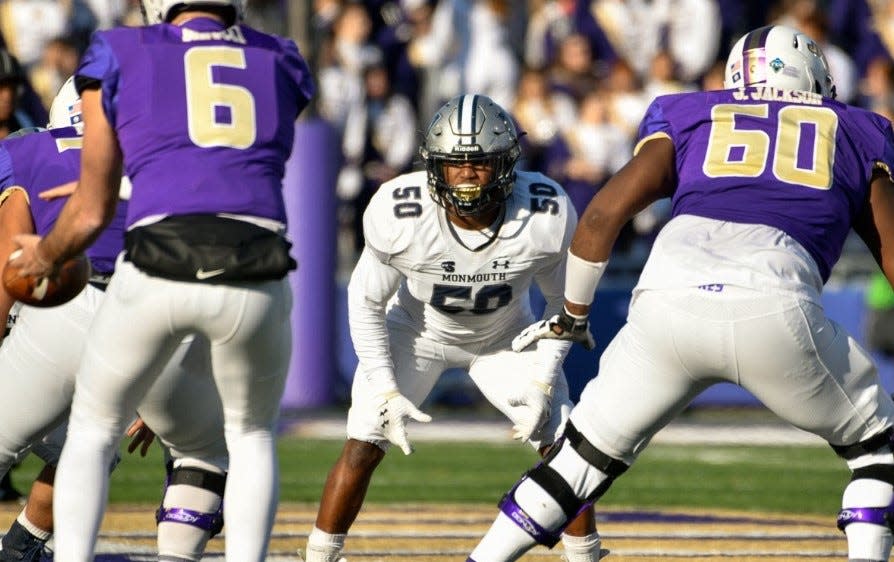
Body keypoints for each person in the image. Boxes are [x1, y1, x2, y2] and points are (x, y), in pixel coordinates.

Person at [466, 24, 894, 562]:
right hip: (775, 301)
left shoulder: (692, 113)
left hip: (665, 300)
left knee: (576, 463)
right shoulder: (857, 128)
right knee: (881, 450)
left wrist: (571, 318)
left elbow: (601, 216)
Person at [6, 0, 314, 558]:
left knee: (94, 430)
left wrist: (48, 254)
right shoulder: (283, 57)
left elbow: (90, 211)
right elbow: (221, 151)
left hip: (150, 267)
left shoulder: (121, 51)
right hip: (258, 264)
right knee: (245, 439)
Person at [303, 94, 603, 562]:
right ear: (434, 166)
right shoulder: (402, 212)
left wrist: (544, 378)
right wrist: (384, 388)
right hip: (418, 332)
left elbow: (563, 302)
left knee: (561, 445)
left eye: (480, 162)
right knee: (364, 440)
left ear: (505, 163)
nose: (466, 173)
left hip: (507, 336)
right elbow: (365, 301)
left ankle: (585, 555)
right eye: (454, 162)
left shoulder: (543, 212)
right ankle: (321, 555)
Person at [0, 80, 230, 562]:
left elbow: (10, 262)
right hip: (157, 313)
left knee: (75, 445)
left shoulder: (27, 150)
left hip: (62, 310)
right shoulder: (175, 158)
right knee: (197, 452)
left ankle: (22, 548)